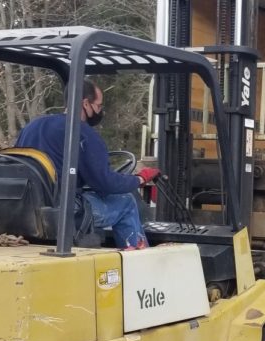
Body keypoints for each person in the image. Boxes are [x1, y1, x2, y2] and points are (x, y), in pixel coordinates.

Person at [15, 79, 160, 249]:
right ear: (85, 103)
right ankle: (138, 262)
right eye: (98, 106)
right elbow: (104, 183)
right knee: (126, 202)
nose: (100, 111)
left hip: (27, 208)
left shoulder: (32, 126)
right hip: (64, 211)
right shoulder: (83, 133)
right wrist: (139, 179)